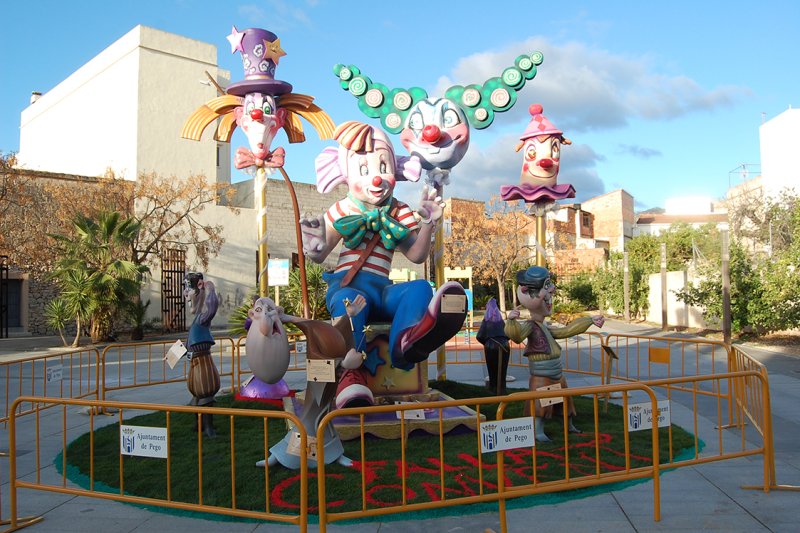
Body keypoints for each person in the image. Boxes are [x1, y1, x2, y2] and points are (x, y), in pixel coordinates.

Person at [301, 120, 467, 409]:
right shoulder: (343, 208)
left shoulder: (399, 210)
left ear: (396, 167)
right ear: (345, 173)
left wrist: (428, 223)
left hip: (382, 290)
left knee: (419, 288)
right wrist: (313, 243)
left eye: (383, 167)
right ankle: (351, 376)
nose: (375, 179)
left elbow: (416, 255)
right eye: (364, 170)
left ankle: (407, 344)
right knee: (351, 303)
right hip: (349, 287)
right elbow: (319, 252)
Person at [505, 266, 604, 442]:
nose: (551, 291)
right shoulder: (530, 326)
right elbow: (516, 336)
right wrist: (511, 321)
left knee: (565, 402)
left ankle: (569, 425)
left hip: (556, 375)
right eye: (546, 286)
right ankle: (537, 431)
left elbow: (567, 331)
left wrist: (589, 320)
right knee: (540, 406)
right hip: (542, 376)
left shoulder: (545, 327)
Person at [183, 272, 220, 437]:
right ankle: (198, 424)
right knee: (197, 395)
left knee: (205, 395)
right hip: (194, 364)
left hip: (203, 363)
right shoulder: (196, 319)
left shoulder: (203, 319)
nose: (187, 296)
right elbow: (189, 341)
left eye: (189, 292)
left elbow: (212, 307)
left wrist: (210, 288)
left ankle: (209, 427)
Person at [476, 298, 510, 396]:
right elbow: (508, 335)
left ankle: (493, 388)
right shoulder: (500, 320)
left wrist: (487, 343)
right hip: (504, 345)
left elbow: (479, 336)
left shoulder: (486, 320)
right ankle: (502, 389)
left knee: (492, 368)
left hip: (490, 345)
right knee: (503, 369)